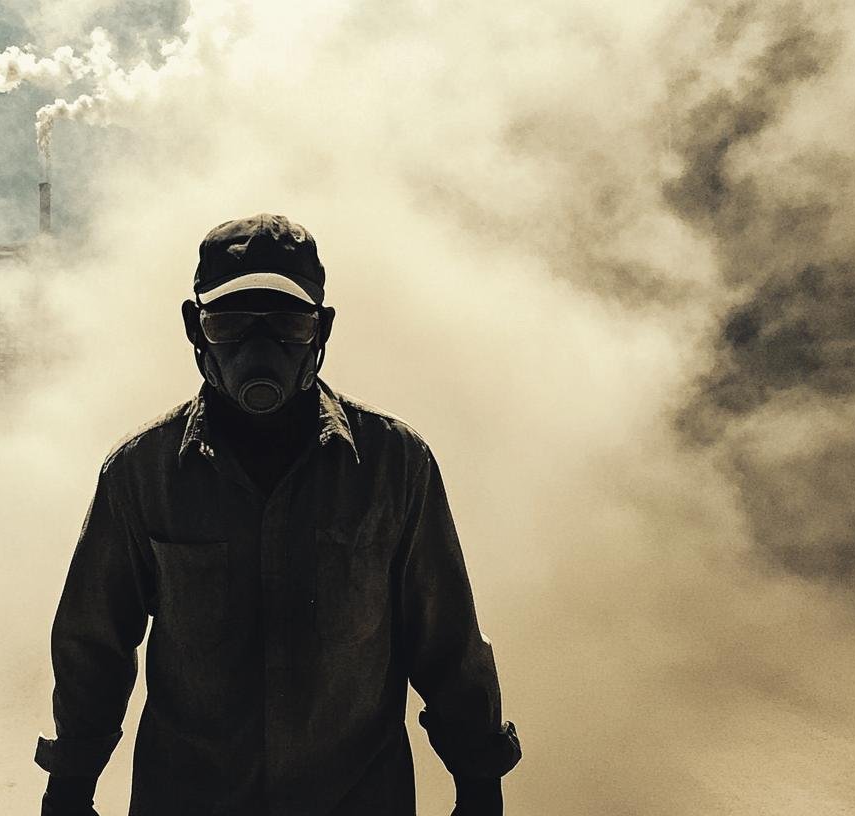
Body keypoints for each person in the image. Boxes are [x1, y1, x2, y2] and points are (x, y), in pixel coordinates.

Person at [36, 214, 520, 815]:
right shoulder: (143, 474)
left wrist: (480, 781)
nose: (258, 352)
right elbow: (94, 644)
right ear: (195, 328)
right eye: (231, 323)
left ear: (322, 329)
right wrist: (70, 783)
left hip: (356, 798)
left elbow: (447, 640)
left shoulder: (393, 468)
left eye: (288, 324)